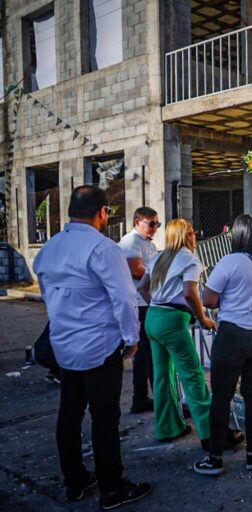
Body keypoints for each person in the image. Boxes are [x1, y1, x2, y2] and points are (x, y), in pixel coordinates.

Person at [33, 185, 151, 509]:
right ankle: (112, 488)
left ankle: (76, 480)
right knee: (104, 418)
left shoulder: (50, 247)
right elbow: (125, 299)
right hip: (99, 347)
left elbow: (47, 292)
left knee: (68, 415)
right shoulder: (103, 248)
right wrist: (132, 339)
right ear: (102, 213)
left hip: (64, 345)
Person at [193, 214, 252, 476]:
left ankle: (215, 459)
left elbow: (208, 300)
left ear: (238, 235)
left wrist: (231, 299)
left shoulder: (230, 261)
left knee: (221, 396)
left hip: (234, 333)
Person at [137, 219, 218, 448]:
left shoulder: (157, 258)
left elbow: (142, 287)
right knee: (192, 376)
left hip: (153, 317)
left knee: (162, 377)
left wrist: (158, 305)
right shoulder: (190, 260)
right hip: (173, 320)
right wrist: (203, 319)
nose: (194, 236)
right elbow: (191, 294)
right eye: (192, 233)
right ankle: (209, 434)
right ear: (187, 236)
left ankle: (167, 428)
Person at [119, 207, 159, 414]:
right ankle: (158, 399)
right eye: (151, 223)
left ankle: (141, 398)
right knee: (150, 354)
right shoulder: (131, 241)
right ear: (137, 222)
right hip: (139, 303)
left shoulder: (145, 242)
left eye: (157, 224)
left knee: (143, 356)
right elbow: (135, 270)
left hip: (145, 301)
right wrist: (159, 276)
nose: (155, 228)